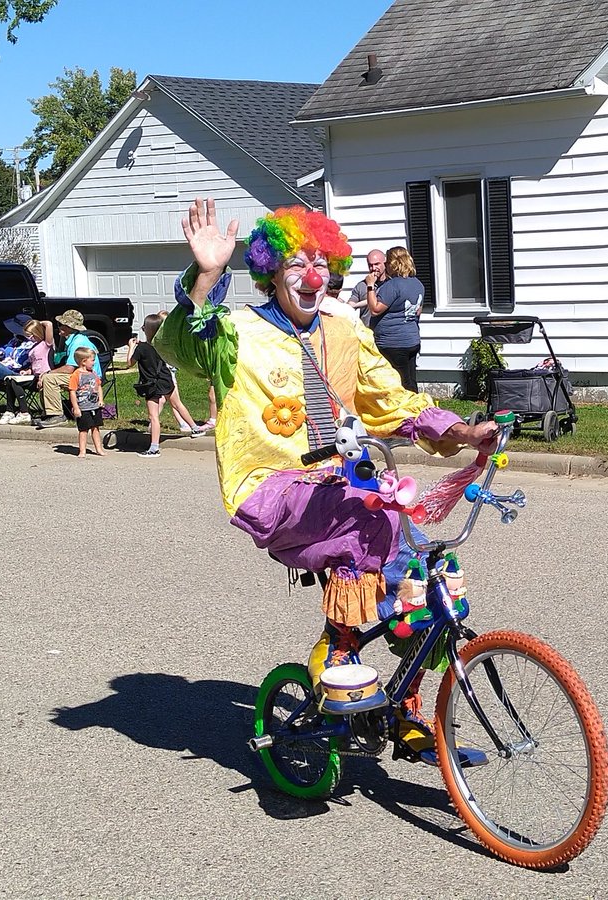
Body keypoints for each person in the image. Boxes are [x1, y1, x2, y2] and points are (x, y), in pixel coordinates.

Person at [156, 199, 496, 757]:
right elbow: (184, 346)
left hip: (341, 479)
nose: (312, 274)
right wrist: (209, 273)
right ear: (270, 270)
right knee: (368, 521)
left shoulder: (345, 329)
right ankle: (336, 657)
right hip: (270, 482)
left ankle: (403, 705)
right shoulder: (236, 331)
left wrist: (462, 430)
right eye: (296, 261)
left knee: (418, 573)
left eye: (320, 260)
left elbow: (391, 400)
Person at [127, 312, 206, 458]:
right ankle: (195, 428)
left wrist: (131, 347)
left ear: (146, 330)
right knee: (177, 404)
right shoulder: (163, 345)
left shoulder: (142, 348)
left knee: (153, 416)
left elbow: (129, 363)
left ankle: (154, 447)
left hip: (151, 384)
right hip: (166, 378)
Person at [367, 246, 424, 391]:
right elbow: (418, 311)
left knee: (397, 384)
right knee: (410, 380)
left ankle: (406, 412)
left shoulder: (392, 285)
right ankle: (416, 408)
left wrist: (370, 286)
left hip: (393, 343)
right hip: (412, 340)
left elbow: (375, 309)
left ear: (392, 264)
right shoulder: (418, 284)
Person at [36, 309, 102, 428]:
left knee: (50, 379)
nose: (59, 327)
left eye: (61, 324)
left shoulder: (78, 342)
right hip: (83, 376)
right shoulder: (75, 339)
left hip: (89, 380)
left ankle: (56, 416)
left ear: (69, 327)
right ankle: (48, 413)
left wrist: (47, 373)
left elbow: (70, 368)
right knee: (47, 377)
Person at [0, 318, 54, 424]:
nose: (30, 338)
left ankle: (24, 412)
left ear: (37, 332)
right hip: (34, 375)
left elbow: (49, 324)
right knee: (11, 380)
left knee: (15, 382)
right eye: (27, 336)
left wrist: (38, 324)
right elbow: (35, 364)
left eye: (31, 335)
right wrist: (28, 371)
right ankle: (9, 411)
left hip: (45, 376)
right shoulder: (33, 346)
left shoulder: (46, 344)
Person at [68, 346, 107, 458]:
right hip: (83, 407)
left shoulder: (93, 373)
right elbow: (72, 392)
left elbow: (98, 386)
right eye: (92, 360)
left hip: (94, 406)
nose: (94, 362)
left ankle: (99, 449)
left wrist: (100, 400)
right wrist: (76, 407)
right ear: (84, 362)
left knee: (96, 428)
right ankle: (82, 450)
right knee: (83, 430)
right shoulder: (76, 375)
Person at [347, 248, 386, 325]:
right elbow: (350, 305)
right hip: (367, 332)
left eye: (377, 264)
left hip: (387, 331)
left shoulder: (391, 284)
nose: (374, 268)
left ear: (385, 263)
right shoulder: (361, 286)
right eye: (370, 265)